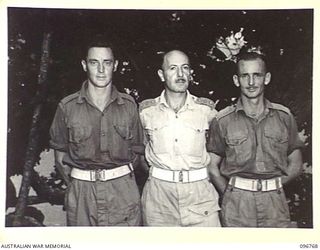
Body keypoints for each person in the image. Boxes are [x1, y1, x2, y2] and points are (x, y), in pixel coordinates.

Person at [207, 46, 304, 227]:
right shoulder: (223, 120)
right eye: (245, 76)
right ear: (237, 80)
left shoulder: (284, 116)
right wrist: (230, 193)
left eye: (257, 75)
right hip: (237, 204)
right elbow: (212, 166)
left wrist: (274, 186)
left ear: (266, 78)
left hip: (275, 203)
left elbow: (296, 163)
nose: (251, 82)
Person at [49, 38, 143, 226]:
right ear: (85, 65)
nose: (101, 70)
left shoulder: (129, 106)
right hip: (82, 191)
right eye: (94, 62)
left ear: (114, 65)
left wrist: (119, 179)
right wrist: (80, 184)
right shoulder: (67, 107)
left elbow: (138, 152)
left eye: (106, 63)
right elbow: (60, 158)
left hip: (122, 191)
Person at [139, 50, 221, 226]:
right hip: (159, 198)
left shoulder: (207, 111)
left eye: (185, 68)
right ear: (162, 75)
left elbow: (218, 151)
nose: (180, 74)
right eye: (173, 68)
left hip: (200, 196)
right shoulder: (146, 112)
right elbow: (139, 153)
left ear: (190, 73)